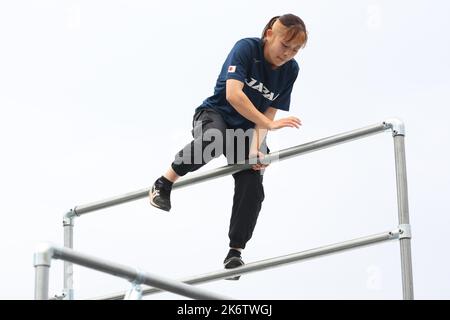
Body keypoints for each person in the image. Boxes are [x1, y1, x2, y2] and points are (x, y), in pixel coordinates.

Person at [149, 14, 307, 279]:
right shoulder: (246, 48)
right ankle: (163, 183)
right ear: (269, 34)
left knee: (253, 179)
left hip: (247, 131)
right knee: (214, 140)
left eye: (295, 50)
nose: (287, 54)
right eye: (284, 45)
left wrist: (257, 148)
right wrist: (271, 126)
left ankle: (235, 252)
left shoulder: (291, 70)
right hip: (216, 115)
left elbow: (267, 113)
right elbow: (234, 96)